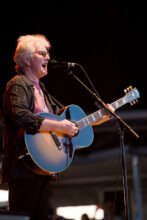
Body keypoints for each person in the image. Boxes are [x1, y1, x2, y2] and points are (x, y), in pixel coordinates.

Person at [1, 34, 114, 220]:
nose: (48, 57)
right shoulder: (17, 84)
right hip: (23, 167)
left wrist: (101, 117)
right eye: (42, 53)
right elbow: (21, 116)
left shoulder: (42, 90)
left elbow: (67, 124)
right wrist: (59, 125)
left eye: (48, 53)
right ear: (27, 59)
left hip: (43, 167)